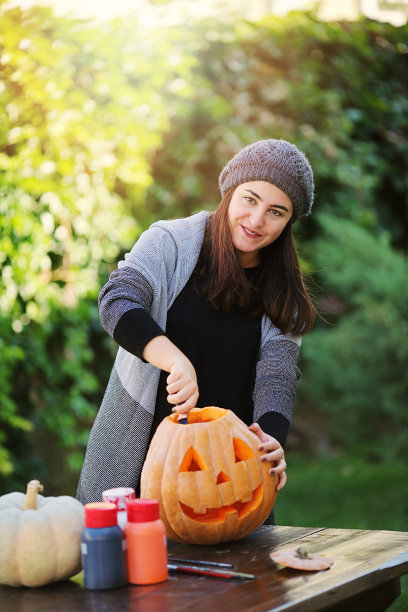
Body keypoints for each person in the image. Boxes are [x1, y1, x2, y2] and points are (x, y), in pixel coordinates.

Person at [76, 138, 316, 513]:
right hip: (138, 468)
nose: (256, 221)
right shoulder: (169, 243)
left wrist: (270, 439)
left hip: (229, 479)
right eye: (250, 199)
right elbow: (117, 300)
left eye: (276, 212)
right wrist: (175, 361)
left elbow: (278, 374)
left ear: (289, 221)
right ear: (230, 192)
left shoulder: (282, 292)